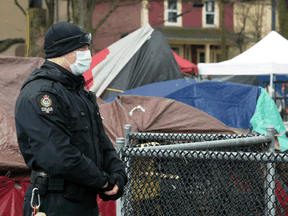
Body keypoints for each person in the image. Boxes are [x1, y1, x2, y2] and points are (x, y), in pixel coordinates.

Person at [14, 21, 127, 216]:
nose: (87, 53)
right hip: (54, 202)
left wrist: (117, 175)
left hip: (85, 202)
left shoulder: (79, 93)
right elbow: (58, 155)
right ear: (63, 50)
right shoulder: (41, 94)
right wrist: (103, 181)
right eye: (82, 48)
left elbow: (101, 142)